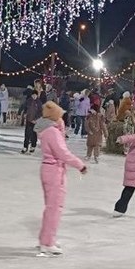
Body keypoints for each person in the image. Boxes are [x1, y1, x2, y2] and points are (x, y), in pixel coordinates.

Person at [33, 101, 87, 256]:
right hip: (54, 171)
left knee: (51, 208)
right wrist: (80, 165)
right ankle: (47, 243)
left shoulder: (50, 130)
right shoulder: (52, 132)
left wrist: (60, 128)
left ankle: (46, 239)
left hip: (49, 170)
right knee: (55, 209)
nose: (62, 118)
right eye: (60, 116)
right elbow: (63, 153)